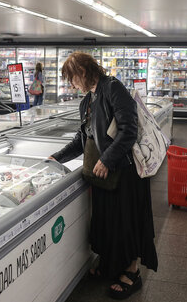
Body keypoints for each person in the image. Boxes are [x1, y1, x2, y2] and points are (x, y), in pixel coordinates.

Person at [48, 52, 158, 300]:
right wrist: (57, 158)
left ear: (84, 72)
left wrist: (107, 159)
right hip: (104, 175)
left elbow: (129, 130)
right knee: (110, 223)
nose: (71, 84)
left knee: (127, 222)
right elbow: (82, 138)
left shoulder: (113, 89)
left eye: (72, 78)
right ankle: (111, 265)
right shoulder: (87, 101)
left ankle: (132, 272)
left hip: (125, 172)